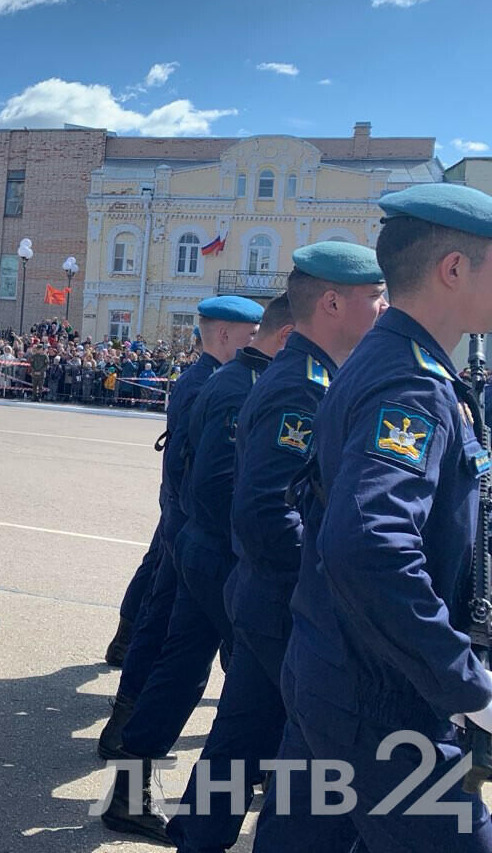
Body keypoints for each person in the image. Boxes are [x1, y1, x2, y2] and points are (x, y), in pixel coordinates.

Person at [252, 183, 492, 851]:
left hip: (341, 661)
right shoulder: (409, 381)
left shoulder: (405, 364)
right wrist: (463, 680)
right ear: (453, 269)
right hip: (384, 697)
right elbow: (371, 544)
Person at [168, 242, 387, 851]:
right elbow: (266, 509)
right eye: (375, 297)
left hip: (266, 594)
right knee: (300, 750)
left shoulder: (315, 376)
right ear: (333, 302)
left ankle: (197, 832)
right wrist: (323, 581)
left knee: (244, 732)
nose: (384, 307)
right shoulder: (302, 387)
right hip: (281, 597)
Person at [102, 295, 293, 842]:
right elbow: (213, 489)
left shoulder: (239, 380)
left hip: (206, 552)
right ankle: (198, 803)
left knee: (185, 673)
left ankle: (130, 792)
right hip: (222, 559)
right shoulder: (242, 387)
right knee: (253, 695)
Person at [103, 300, 259, 672]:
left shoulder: (216, 376)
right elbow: (182, 459)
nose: (259, 341)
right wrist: (187, 515)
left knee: (159, 580)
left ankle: (127, 648)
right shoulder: (206, 380)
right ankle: (129, 659)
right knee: (164, 600)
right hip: (187, 509)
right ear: (223, 334)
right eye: (251, 335)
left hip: (184, 507)